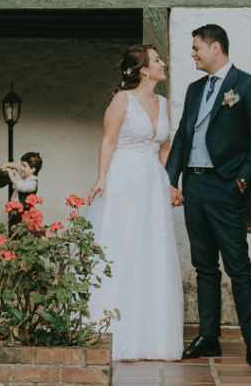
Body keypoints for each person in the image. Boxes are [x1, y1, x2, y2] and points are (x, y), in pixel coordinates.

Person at [166, 24, 251, 369]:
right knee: (204, 266)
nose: (192, 54)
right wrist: (172, 180)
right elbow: (182, 136)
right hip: (194, 187)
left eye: (197, 48)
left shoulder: (246, 85)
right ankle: (209, 337)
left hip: (226, 187)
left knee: (238, 267)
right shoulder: (195, 89)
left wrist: (241, 179)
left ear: (215, 48)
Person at [86, 44, 183, 361]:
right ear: (143, 69)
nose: (162, 63)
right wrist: (101, 178)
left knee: (151, 250)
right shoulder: (122, 100)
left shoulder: (164, 103)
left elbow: (164, 147)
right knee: (122, 247)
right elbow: (109, 140)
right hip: (125, 179)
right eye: (157, 60)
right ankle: (113, 330)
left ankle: (151, 337)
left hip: (153, 183)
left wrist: (170, 183)